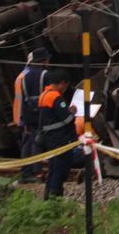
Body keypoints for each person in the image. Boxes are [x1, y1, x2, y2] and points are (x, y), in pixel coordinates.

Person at [36, 70, 86, 199]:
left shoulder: (44, 95)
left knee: (53, 168)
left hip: (50, 138)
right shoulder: (56, 97)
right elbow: (68, 119)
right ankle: (55, 197)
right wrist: (73, 111)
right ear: (63, 83)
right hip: (60, 139)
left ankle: (48, 196)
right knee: (60, 168)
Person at [13, 47, 50, 182]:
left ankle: (27, 172)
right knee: (37, 143)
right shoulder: (44, 74)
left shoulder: (23, 76)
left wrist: (21, 120)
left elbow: (21, 99)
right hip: (42, 113)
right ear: (44, 61)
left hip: (27, 114)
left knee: (28, 143)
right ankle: (37, 172)